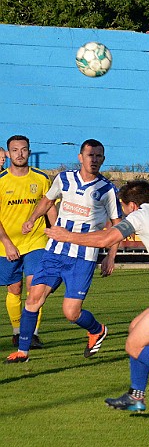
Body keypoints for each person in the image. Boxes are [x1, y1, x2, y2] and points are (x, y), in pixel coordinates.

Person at [46, 180, 149, 412]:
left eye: (123, 208)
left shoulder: (139, 215)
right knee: (136, 327)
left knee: (134, 345)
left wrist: (67, 236)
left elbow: (106, 239)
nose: (124, 213)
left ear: (133, 205)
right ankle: (137, 396)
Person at [5, 139, 121, 363]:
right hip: (55, 251)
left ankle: (97, 330)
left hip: (83, 256)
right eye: (90, 155)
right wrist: (32, 220)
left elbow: (117, 225)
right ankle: (23, 351)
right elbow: (47, 201)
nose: (94, 160)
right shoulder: (64, 179)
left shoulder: (106, 190)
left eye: (99, 156)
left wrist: (110, 256)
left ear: (103, 160)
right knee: (33, 299)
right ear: (80, 157)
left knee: (71, 313)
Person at [0, 135, 56, 349]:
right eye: (15, 150)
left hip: (36, 241)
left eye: (23, 150)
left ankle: (31, 333)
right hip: (8, 244)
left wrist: (56, 231)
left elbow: (49, 205)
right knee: (14, 289)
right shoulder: (1, 180)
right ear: (8, 154)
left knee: (36, 287)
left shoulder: (41, 178)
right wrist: (6, 242)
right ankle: (16, 331)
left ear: (29, 152)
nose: (19, 154)